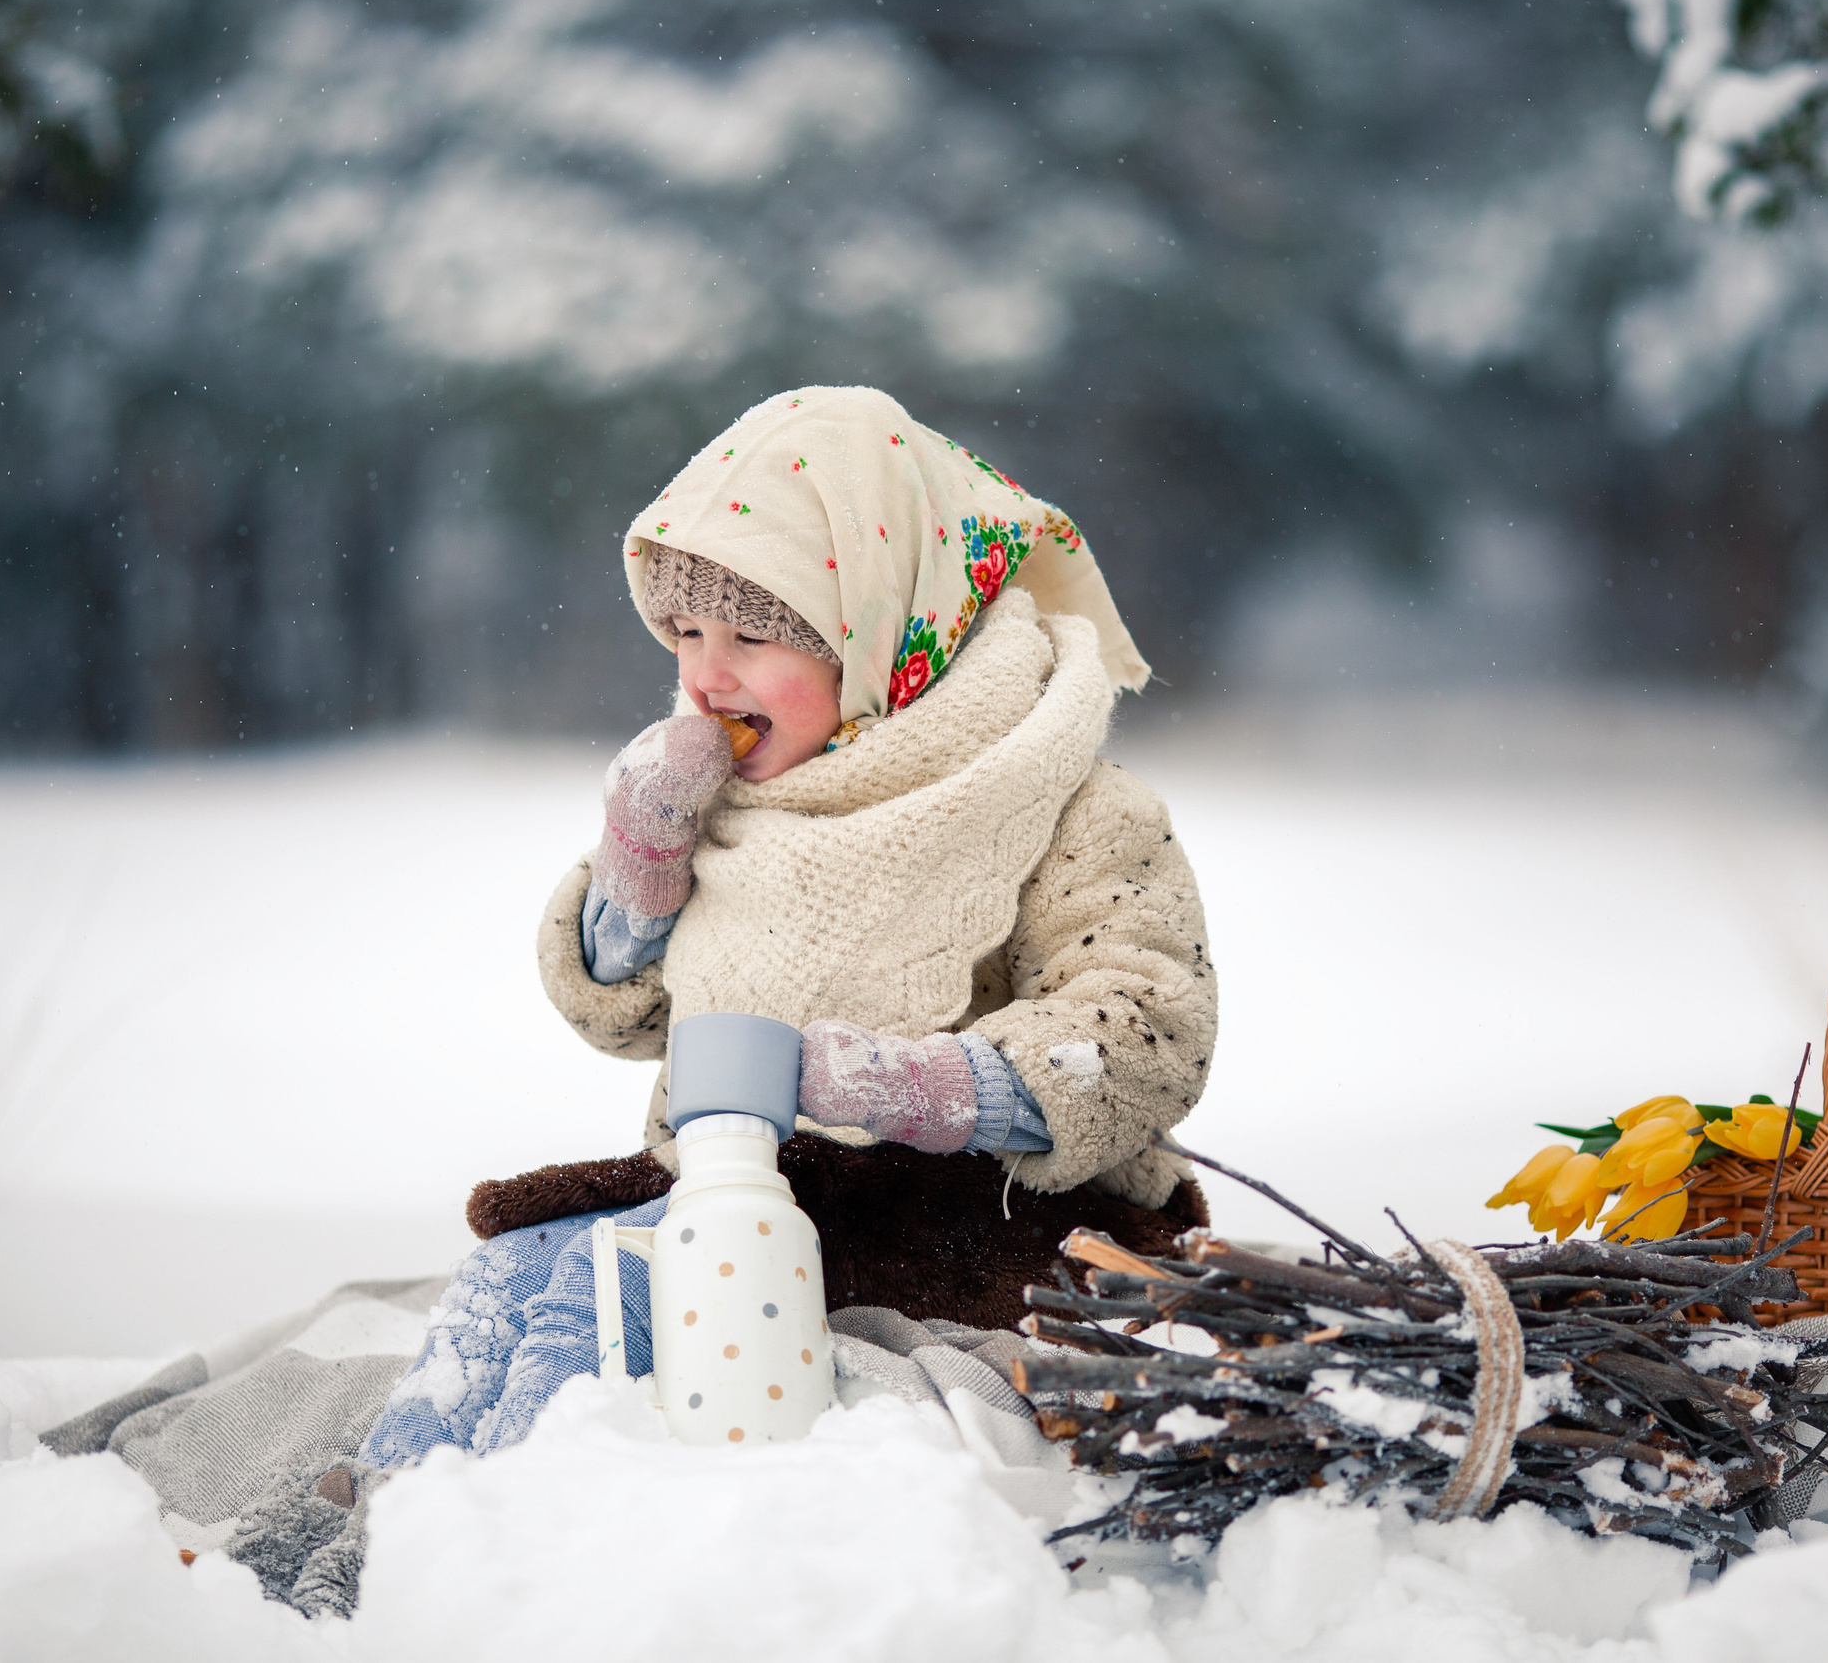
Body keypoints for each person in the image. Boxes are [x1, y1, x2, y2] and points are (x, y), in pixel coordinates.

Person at [361, 386, 1218, 1465]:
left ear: (884, 630)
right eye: (683, 630)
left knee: (600, 1298)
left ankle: (520, 1523)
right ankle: (393, 1512)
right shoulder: (724, 785)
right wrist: (636, 874)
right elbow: (625, 1016)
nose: (704, 675)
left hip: (992, 1222)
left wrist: (905, 1084)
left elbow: (1147, 1029)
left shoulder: (1068, 800)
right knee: (515, 1278)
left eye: (754, 638)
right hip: (761, 1195)